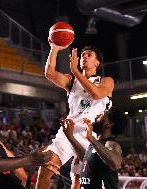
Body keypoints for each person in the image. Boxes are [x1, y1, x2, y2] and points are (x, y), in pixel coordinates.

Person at [36, 41, 114, 189]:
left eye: (89, 55)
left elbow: (97, 94)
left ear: (97, 63)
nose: (84, 57)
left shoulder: (106, 81)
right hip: (68, 132)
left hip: (90, 137)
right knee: (44, 170)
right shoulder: (71, 81)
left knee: (79, 182)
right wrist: (54, 48)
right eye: (82, 55)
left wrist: (76, 71)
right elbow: (49, 73)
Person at [62, 107, 127, 189]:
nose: (97, 116)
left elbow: (116, 164)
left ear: (108, 124)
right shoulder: (96, 144)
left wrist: (91, 138)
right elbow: (86, 159)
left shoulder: (111, 144)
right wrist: (70, 137)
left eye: (103, 114)